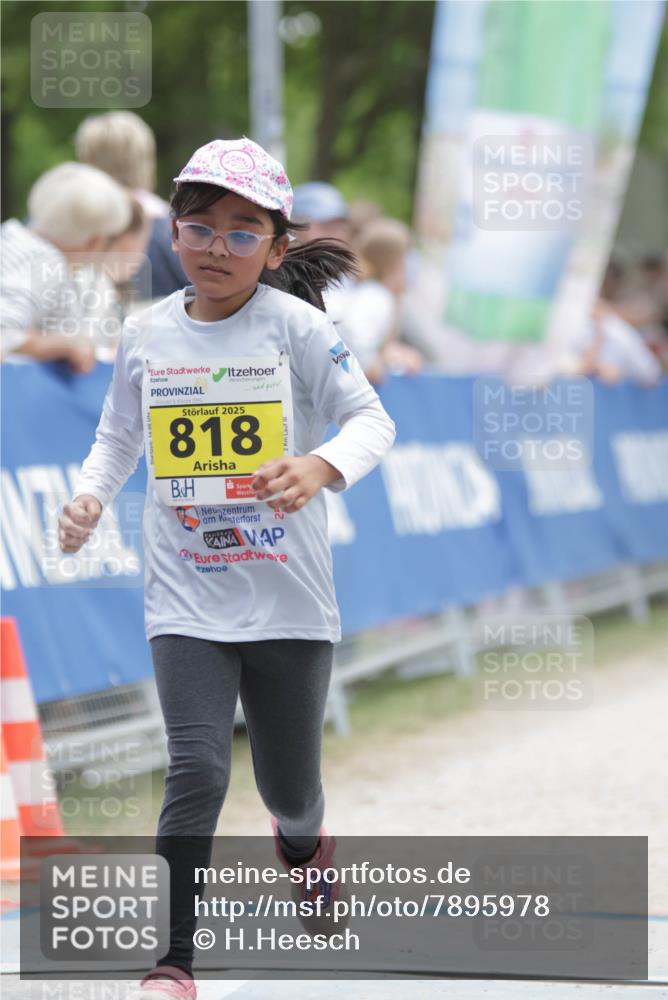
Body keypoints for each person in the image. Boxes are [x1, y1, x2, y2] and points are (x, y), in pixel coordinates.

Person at [58, 137, 396, 999]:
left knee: (291, 789)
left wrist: (319, 466)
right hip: (186, 591)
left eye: (243, 233)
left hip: (286, 593)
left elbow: (371, 419)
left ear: (277, 249)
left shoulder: (299, 328)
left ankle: (303, 846)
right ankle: (173, 961)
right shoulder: (144, 333)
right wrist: (90, 497)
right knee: (197, 769)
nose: (216, 247)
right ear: (174, 231)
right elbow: (117, 436)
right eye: (200, 227)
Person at [1, 162, 131, 370]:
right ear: (94, 241)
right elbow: (4, 334)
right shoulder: (46, 262)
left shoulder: (10, 237)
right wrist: (65, 344)